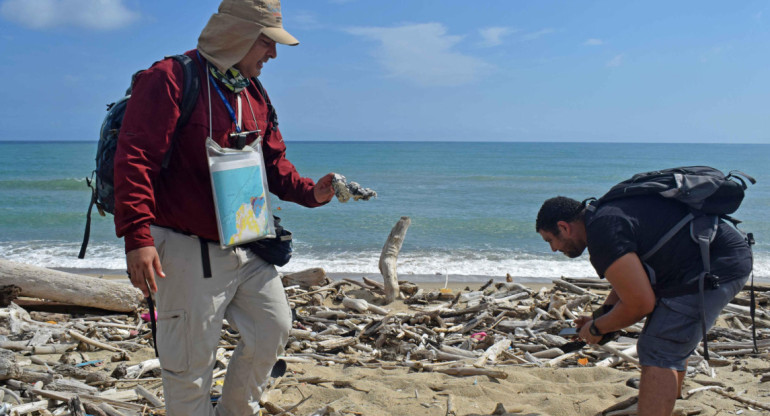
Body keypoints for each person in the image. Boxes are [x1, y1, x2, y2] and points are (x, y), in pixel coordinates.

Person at [113, 1, 335, 415]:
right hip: (185, 249)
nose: (273, 54)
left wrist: (310, 193)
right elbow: (134, 158)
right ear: (238, 34)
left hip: (246, 243)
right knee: (189, 365)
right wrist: (137, 236)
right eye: (267, 43)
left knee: (273, 327)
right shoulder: (171, 79)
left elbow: (272, 162)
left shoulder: (252, 91)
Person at [535, 195, 752, 416]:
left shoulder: (603, 234)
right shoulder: (603, 218)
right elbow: (629, 282)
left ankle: (659, 402)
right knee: (666, 333)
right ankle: (669, 394)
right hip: (702, 259)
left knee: (657, 345)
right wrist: (601, 317)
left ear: (564, 227)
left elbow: (640, 304)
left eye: (550, 240)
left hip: (716, 265)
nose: (553, 249)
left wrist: (597, 329)